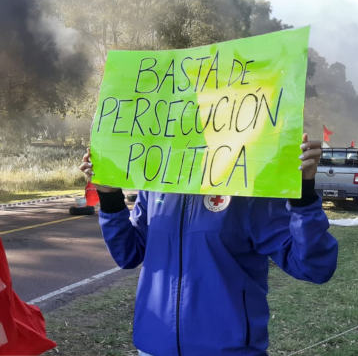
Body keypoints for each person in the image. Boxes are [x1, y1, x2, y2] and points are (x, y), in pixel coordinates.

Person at [79, 133, 338, 356]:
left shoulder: (250, 188)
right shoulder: (156, 183)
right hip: (152, 346)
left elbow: (314, 267)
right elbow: (128, 254)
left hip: (226, 350)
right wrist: (110, 197)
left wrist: (304, 196)